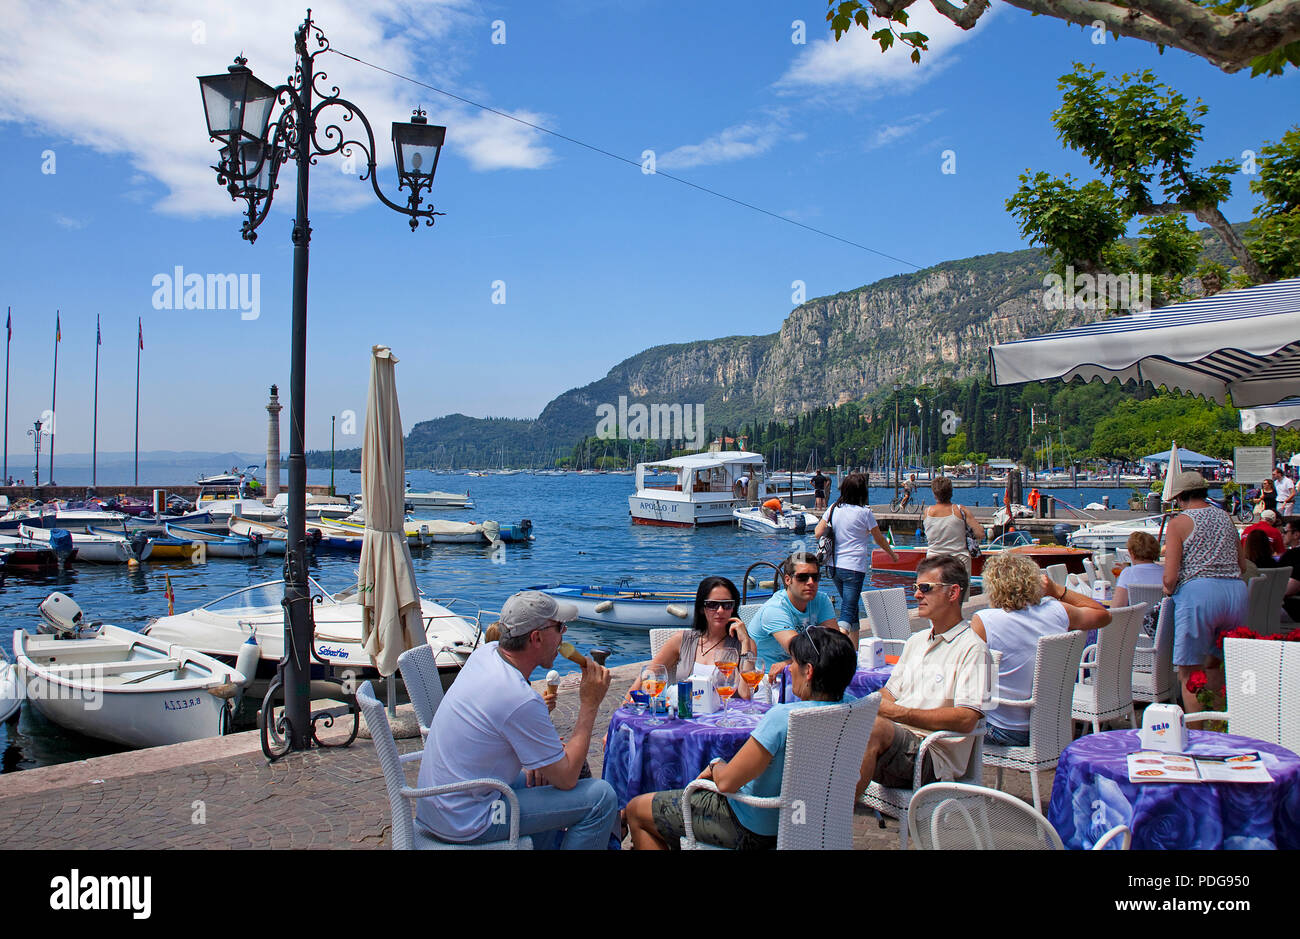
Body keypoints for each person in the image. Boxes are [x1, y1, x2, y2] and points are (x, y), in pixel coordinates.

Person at [414, 590, 618, 849]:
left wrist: (541, 756)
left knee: (542, 781)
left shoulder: (485, 654)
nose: (564, 634)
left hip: (442, 804)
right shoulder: (518, 697)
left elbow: (502, 727)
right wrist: (590, 705)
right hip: (469, 820)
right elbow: (566, 777)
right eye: (559, 627)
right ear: (536, 638)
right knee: (601, 798)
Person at [625, 628, 858, 850]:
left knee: (636, 810)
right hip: (809, 819)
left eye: (794, 663)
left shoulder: (783, 718)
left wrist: (715, 765)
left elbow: (727, 783)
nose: (790, 669)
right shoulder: (851, 708)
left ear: (809, 671)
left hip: (752, 824)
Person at [855, 555, 991, 799]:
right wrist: (861, 706)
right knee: (831, 720)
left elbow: (967, 719)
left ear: (953, 593)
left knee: (873, 730)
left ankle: (834, 817)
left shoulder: (975, 649)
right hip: (898, 743)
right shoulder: (915, 641)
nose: (917, 595)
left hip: (934, 758)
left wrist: (899, 714)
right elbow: (889, 693)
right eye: (916, 588)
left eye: (925, 588)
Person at [970, 553, 1110, 747]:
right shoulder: (1058, 611)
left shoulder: (986, 621)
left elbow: (960, 668)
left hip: (1004, 730)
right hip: (1052, 727)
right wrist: (1057, 590)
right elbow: (1103, 615)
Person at [1162, 471, 1248, 715]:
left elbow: (1170, 577)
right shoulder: (1224, 517)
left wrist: (1167, 591)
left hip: (1199, 594)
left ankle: (1198, 734)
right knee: (1217, 665)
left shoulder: (1178, 523)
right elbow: (1242, 565)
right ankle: (1219, 727)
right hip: (1235, 594)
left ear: (1179, 497)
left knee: (1190, 673)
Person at [624, 576, 755, 700]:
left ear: (733, 608)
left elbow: (746, 694)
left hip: (727, 718)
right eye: (712, 605)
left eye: (726, 605)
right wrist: (624, 708)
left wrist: (744, 643)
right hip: (685, 716)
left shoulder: (745, 645)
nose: (720, 610)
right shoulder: (682, 640)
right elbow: (647, 675)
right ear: (701, 609)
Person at [815, 472, 898, 640]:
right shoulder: (864, 513)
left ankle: (854, 652)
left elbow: (818, 532)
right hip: (854, 567)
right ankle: (838, 645)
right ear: (862, 492)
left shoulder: (833, 509)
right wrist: (892, 555)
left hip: (833, 566)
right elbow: (879, 538)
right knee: (847, 609)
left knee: (852, 610)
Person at [750, 552, 839, 680]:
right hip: (768, 678)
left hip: (804, 670)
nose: (810, 582)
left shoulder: (821, 600)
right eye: (802, 577)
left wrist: (788, 663)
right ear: (788, 580)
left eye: (815, 577)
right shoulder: (775, 609)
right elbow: (801, 652)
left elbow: (836, 645)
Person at [923, 476, 985, 572]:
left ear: (934, 494)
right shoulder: (961, 510)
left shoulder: (927, 512)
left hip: (934, 561)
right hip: (959, 561)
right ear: (951, 492)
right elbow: (980, 533)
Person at [1113, 531, 1165, 606]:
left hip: (1135, 617)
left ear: (1131, 553)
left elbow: (1117, 607)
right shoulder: (1165, 572)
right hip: (1159, 616)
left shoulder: (1128, 573)